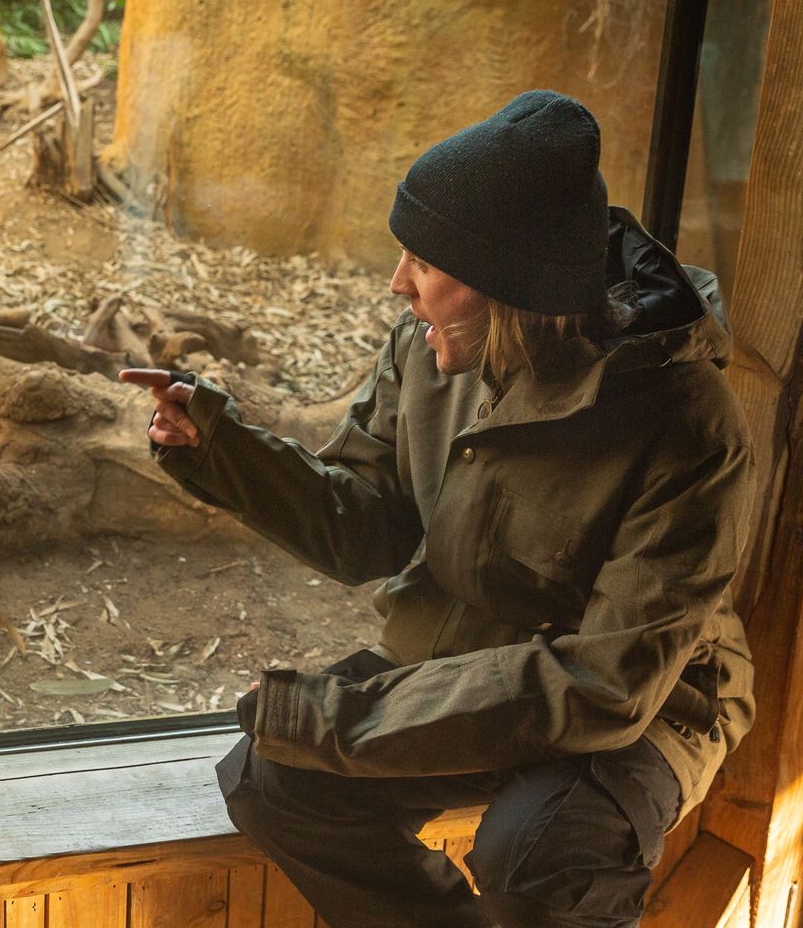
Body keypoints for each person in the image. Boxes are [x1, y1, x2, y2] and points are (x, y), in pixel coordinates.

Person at [120, 90, 755, 928]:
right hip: (481, 659)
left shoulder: (688, 423)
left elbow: (606, 685)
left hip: (651, 703)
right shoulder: (428, 351)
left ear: (509, 284)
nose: (398, 283)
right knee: (273, 777)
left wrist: (339, 715)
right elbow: (367, 522)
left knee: (536, 847)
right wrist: (219, 447)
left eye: (425, 261)